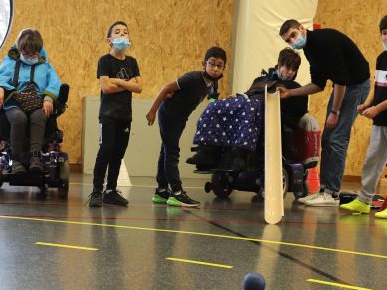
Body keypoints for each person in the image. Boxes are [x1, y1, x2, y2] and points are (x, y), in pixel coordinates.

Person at [277, 20, 370, 206]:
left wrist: (334, 112)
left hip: (355, 86)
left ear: (302, 29)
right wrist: (290, 93)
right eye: (288, 41)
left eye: (293, 35)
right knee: (328, 138)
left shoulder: (325, 41)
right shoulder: (309, 50)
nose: (292, 41)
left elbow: (342, 81)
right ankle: (324, 189)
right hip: (342, 87)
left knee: (337, 139)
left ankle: (331, 193)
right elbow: (318, 85)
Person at [341, 13, 387, 220]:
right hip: (380, 120)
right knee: (372, 160)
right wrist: (368, 103)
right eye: (384, 33)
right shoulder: (381, 58)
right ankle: (364, 200)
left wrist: (377, 109)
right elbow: (380, 87)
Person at [190, 48, 308, 171]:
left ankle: (240, 156)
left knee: (252, 106)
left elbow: (298, 113)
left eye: (293, 70)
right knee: (215, 105)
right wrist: (236, 98)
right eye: (287, 68)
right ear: (279, 65)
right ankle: (207, 151)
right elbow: (248, 95)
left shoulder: (295, 88)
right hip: (251, 106)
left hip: (272, 116)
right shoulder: (261, 80)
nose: (290, 72)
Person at [146, 46, 227, 207]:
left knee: (166, 151)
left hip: (180, 118)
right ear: (203, 63)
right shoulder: (192, 78)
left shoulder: (213, 83)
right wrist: (152, 111)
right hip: (168, 115)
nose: (215, 68)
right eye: (212, 64)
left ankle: (161, 191)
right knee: (172, 152)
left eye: (219, 65)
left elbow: (212, 99)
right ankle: (176, 192)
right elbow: (166, 89)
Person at [0, 28, 62, 176]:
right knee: (18, 117)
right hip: (14, 103)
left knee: (40, 116)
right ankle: (16, 160)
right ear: (20, 49)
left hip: (38, 103)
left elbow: (54, 83)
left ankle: (35, 157)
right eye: (26, 54)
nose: (30, 57)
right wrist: (0, 88)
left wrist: (49, 98)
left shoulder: (45, 65)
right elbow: (0, 78)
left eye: (34, 54)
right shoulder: (11, 62)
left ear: (39, 51)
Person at [90, 21, 142, 207]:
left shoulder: (132, 62)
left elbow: (139, 87)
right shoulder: (104, 61)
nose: (122, 35)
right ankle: (97, 191)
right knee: (106, 150)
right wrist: (127, 83)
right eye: (118, 32)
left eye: (125, 33)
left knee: (118, 153)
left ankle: (111, 190)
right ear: (109, 40)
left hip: (124, 116)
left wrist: (117, 81)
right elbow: (106, 87)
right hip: (108, 115)